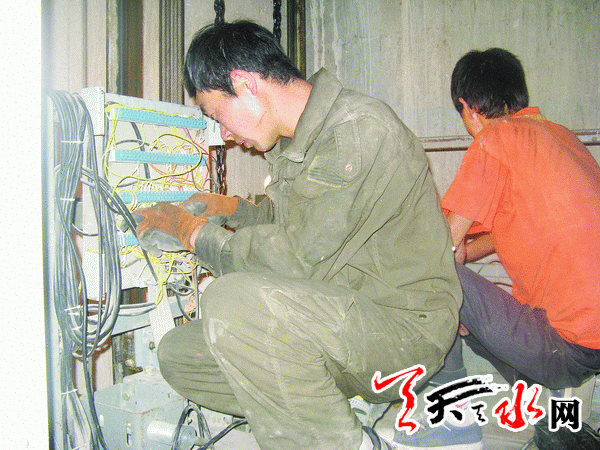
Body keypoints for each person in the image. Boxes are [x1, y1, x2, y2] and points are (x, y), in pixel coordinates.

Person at [134, 20, 462, 450]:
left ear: (245, 84)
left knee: (231, 302)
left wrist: (190, 231)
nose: (225, 135)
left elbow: (298, 258)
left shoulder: (357, 130)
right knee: (181, 355)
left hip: (402, 333)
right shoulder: (294, 142)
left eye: (218, 116)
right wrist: (233, 210)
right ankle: (325, 409)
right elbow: (304, 220)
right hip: (341, 318)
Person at [395, 47, 600, 449]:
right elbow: (504, 229)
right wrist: (464, 268)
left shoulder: (494, 140)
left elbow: (439, 248)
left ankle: (454, 420)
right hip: (592, 341)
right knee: (463, 299)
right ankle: (553, 412)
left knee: (430, 277)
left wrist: (452, 289)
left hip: (570, 347)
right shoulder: (561, 137)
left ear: (468, 108)